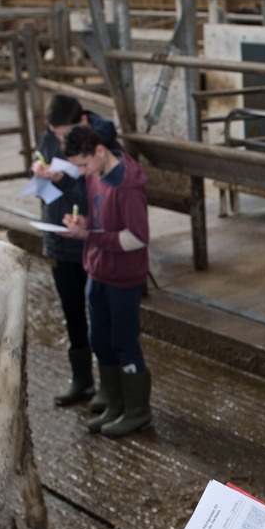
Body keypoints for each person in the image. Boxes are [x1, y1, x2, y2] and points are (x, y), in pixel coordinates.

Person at [31, 94, 121, 409]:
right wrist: (40, 172)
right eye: (54, 135)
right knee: (72, 311)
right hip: (58, 235)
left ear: (82, 121)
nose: (58, 141)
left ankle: (111, 386)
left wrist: (65, 181)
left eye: (63, 134)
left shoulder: (103, 143)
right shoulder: (51, 136)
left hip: (91, 238)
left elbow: (105, 187)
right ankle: (81, 379)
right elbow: (43, 157)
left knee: (102, 314)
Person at [61, 125, 152, 438]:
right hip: (97, 270)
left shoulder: (127, 185)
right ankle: (115, 405)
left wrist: (91, 237)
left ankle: (138, 412)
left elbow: (138, 237)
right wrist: (85, 225)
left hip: (123, 277)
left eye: (83, 164)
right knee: (99, 338)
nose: (81, 171)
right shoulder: (95, 176)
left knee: (124, 342)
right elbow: (101, 222)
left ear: (100, 151)